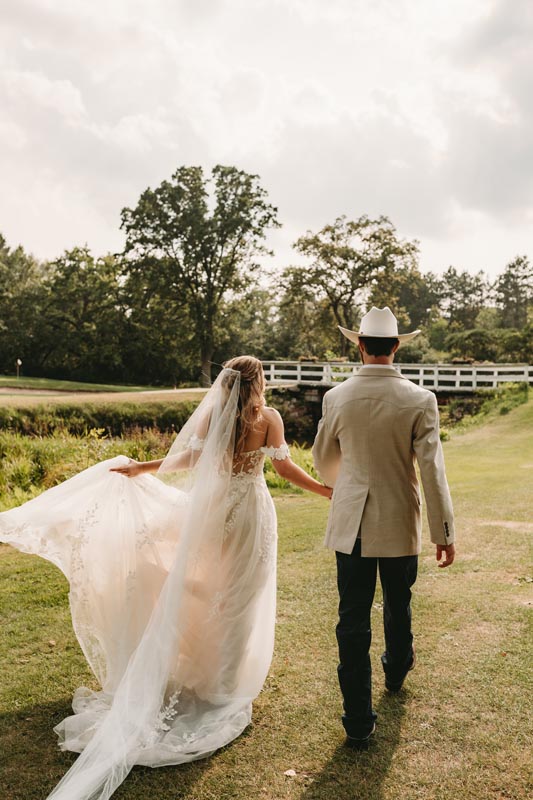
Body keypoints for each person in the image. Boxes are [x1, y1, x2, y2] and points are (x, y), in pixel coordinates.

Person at [0, 356, 331, 800]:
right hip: (249, 514)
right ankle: (222, 686)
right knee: (238, 597)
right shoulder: (267, 418)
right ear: (258, 383)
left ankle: (203, 673)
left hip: (214, 513)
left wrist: (140, 468)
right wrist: (326, 491)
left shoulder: (216, 414)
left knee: (208, 589)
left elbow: (189, 457)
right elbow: (285, 469)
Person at [312, 307, 455, 750]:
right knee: (399, 601)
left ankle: (357, 721)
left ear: (359, 345)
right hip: (398, 517)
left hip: (352, 519)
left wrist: (346, 484)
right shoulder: (420, 399)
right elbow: (432, 472)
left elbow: (322, 458)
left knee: (352, 618)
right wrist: (444, 532)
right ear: (395, 347)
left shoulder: (336, 398)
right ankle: (395, 669)